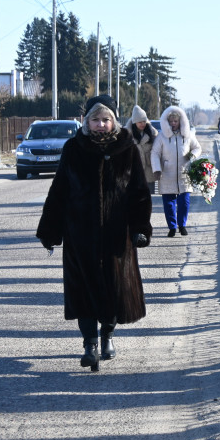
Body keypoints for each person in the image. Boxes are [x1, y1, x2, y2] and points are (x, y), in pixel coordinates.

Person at [36, 95, 152, 372]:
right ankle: (89, 343)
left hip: (116, 235)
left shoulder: (128, 149)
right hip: (80, 234)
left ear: (113, 121)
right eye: (95, 120)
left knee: (113, 288)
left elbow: (139, 193)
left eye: (105, 119)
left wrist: (140, 229)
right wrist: (50, 229)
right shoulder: (73, 148)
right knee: (83, 290)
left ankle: (107, 336)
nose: (100, 124)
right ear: (86, 122)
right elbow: (59, 191)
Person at [151, 105, 202, 238]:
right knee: (169, 204)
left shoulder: (188, 135)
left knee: (184, 202)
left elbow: (197, 148)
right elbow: (155, 153)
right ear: (166, 122)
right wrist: (157, 169)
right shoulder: (162, 137)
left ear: (181, 121)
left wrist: (192, 155)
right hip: (167, 174)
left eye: (176, 121)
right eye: (171, 121)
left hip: (184, 174)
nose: (173, 124)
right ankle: (172, 227)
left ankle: (182, 225)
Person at [128, 104, 159, 194]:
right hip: (134, 171)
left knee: (150, 198)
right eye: (139, 122)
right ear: (134, 122)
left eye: (144, 121)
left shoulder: (152, 133)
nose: (142, 124)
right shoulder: (127, 135)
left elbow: (157, 150)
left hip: (149, 171)